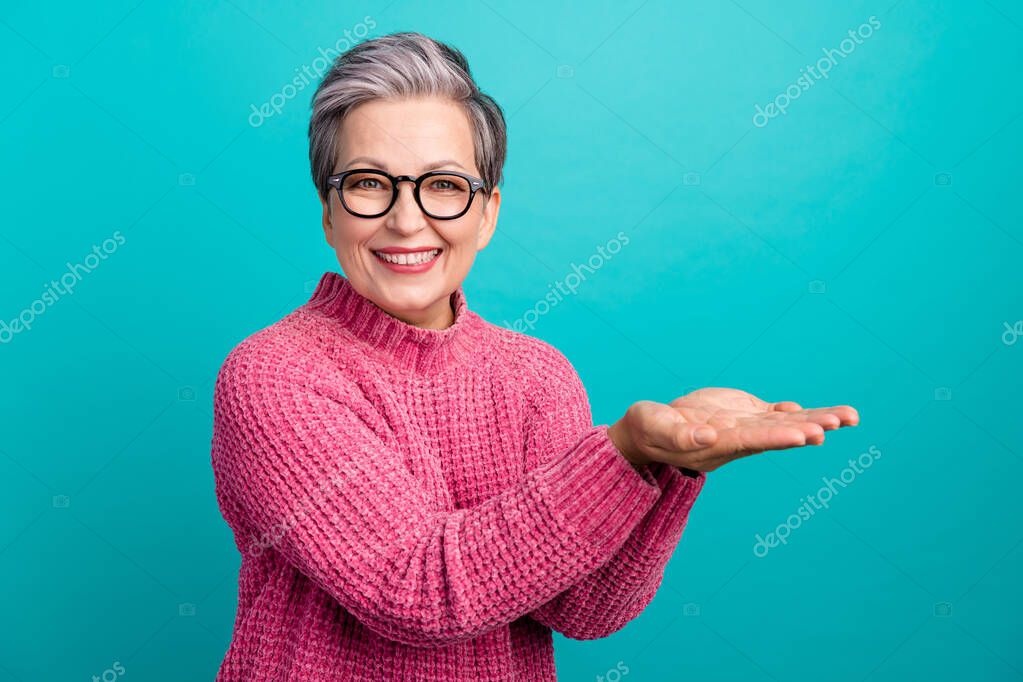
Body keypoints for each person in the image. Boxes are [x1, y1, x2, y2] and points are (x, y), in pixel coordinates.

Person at [210, 31, 858, 681]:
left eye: (442, 185)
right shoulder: (275, 376)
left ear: (487, 214)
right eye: (370, 183)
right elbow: (414, 592)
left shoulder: (534, 377)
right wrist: (621, 454)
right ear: (328, 213)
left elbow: (582, 609)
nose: (406, 221)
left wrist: (661, 467)